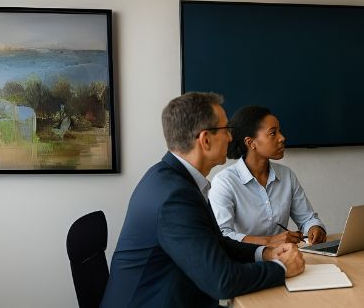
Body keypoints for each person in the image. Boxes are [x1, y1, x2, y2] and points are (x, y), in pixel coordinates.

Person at [101, 92, 304, 307]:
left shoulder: (172, 178)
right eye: (226, 130)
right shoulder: (175, 197)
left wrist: (266, 253)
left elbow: (216, 243)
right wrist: (282, 268)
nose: (230, 137)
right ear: (205, 140)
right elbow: (222, 281)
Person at [209, 105, 327, 247]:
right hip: (244, 261)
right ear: (250, 142)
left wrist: (315, 228)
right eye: (273, 133)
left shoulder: (286, 175)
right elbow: (222, 234)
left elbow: (307, 218)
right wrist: (269, 241)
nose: (282, 138)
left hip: (284, 258)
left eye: (280, 131)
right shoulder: (225, 182)